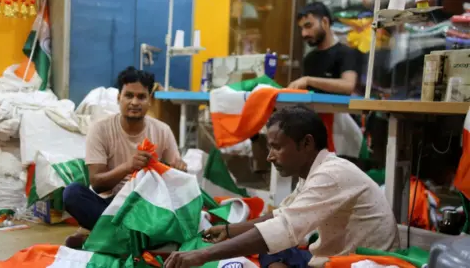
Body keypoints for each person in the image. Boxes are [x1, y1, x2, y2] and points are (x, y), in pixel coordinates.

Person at [164, 105, 399, 268]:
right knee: (270, 247)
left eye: (277, 147)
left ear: (306, 143)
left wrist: (201, 256)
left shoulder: (330, 175)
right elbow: (280, 217)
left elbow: (282, 228)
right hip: (339, 257)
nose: (269, 157)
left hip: (358, 263)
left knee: (270, 244)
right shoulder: (317, 170)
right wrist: (228, 231)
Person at [62, 66, 187, 248]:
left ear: (150, 101)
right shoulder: (100, 129)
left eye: (141, 97)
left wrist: (180, 168)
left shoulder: (162, 130)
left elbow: (176, 177)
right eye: (129, 95)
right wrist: (129, 166)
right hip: (110, 205)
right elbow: (97, 184)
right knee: (72, 194)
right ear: (118, 98)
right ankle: (132, 240)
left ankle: (104, 238)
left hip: (147, 205)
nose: (134, 102)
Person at [288, 2, 361, 95]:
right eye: (302, 28)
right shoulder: (309, 58)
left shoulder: (346, 53)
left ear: (325, 22)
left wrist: (308, 80)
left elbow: (348, 86)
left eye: (308, 26)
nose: (304, 34)